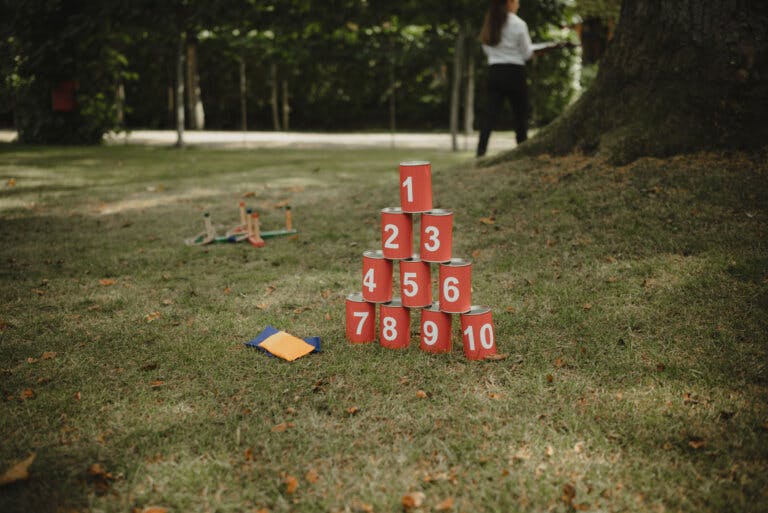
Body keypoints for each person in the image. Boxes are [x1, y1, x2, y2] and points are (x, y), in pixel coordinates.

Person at [476, 0, 533, 158]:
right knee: (520, 115)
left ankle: (481, 151)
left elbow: (486, 47)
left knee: (489, 115)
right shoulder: (519, 24)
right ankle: (522, 151)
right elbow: (527, 53)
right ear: (509, 3)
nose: (518, 4)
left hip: (495, 71)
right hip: (515, 72)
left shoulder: (491, 22)